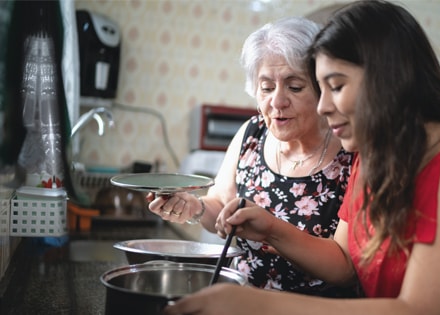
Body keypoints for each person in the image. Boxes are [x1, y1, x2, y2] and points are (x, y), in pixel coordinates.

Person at [162, 1, 440, 315]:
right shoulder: (375, 156)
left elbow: (421, 308)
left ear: (387, 79)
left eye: (335, 86)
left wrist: (258, 305)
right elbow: (346, 262)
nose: (323, 106)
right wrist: (269, 229)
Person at [147, 16, 358, 297]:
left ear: (321, 87)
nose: (277, 101)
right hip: (243, 300)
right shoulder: (252, 133)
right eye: (267, 87)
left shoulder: (350, 149)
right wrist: (194, 207)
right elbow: (222, 206)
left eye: (294, 87)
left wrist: (272, 229)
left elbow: (344, 267)